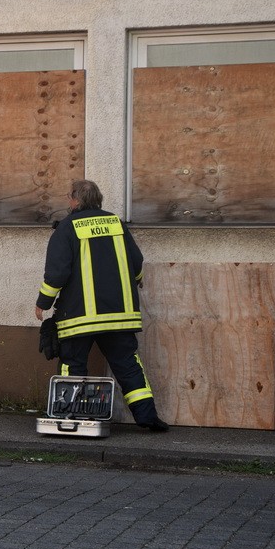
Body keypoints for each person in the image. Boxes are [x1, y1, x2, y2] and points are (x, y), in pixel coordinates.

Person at [34, 179, 169, 432]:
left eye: (68, 197)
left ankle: (70, 416)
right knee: (127, 364)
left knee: (72, 364)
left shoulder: (66, 228)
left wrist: (43, 303)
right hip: (120, 316)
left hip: (79, 317)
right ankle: (148, 417)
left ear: (75, 200)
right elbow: (136, 262)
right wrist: (136, 281)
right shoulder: (116, 223)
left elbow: (57, 273)